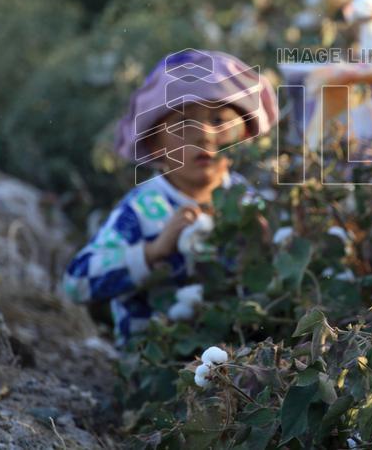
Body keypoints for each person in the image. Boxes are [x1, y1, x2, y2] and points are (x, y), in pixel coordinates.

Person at [62, 49, 277, 346]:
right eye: (184, 123)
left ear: (243, 135)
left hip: (236, 367)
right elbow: (76, 283)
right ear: (154, 143)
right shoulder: (141, 210)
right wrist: (153, 252)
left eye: (219, 121)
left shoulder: (249, 201)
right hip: (155, 371)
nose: (204, 135)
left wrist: (266, 247)